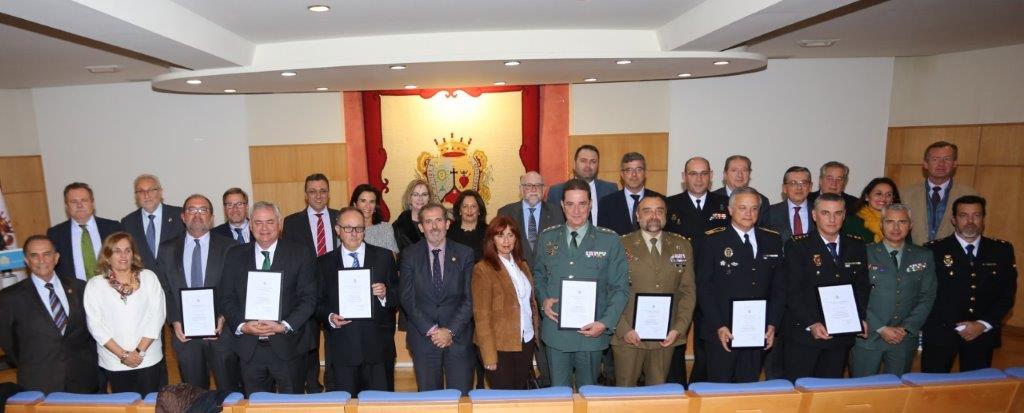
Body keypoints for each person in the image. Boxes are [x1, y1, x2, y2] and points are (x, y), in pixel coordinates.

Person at [533, 178, 629, 388]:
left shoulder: (609, 240)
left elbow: (620, 288)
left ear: (590, 204)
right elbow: (538, 275)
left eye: (582, 204)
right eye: (570, 204)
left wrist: (605, 323)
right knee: (559, 396)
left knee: (588, 394)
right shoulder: (548, 238)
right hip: (556, 332)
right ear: (562, 205)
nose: (576, 211)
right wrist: (543, 300)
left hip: (592, 333)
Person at [219, 201, 317, 395]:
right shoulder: (235, 255)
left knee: (292, 405)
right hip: (249, 348)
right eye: (258, 222)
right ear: (250, 225)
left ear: (280, 224)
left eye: (270, 222)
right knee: (255, 404)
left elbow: (309, 298)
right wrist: (242, 326)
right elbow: (226, 297)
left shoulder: (300, 253)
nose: (264, 228)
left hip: (288, 346)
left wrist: (284, 325)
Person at [697, 187, 784, 383]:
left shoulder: (772, 239)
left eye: (754, 208)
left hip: (757, 330)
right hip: (722, 330)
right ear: (730, 210)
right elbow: (704, 288)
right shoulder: (713, 240)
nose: (748, 213)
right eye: (743, 208)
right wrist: (719, 325)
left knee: (748, 387)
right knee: (719, 389)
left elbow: (779, 288)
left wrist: (772, 324)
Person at [922, 195, 1017, 373]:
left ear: (983, 219)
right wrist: (958, 326)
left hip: (981, 334)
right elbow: (926, 295)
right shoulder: (933, 250)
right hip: (941, 334)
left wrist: (982, 324)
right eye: (963, 215)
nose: (970, 221)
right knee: (933, 386)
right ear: (953, 219)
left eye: (976, 215)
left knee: (975, 386)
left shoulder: (1001, 250)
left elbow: (1006, 296)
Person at [155, 194, 241, 391]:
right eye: (191, 210)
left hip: (221, 333)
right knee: (194, 395)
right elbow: (164, 289)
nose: (197, 214)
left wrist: (223, 316)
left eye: (203, 210)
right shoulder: (167, 249)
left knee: (229, 392)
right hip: (184, 335)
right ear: (183, 216)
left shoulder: (229, 247)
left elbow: (235, 287)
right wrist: (174, 320)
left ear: (211, 217)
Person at [782, 193, 870, 381]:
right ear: (814, 215)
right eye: (825, 213)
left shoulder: (856, 245)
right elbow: (792, 291)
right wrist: (812, 323)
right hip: (805, 336)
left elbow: (862, 287)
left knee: (830, 391)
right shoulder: (797, 246)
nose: (832, 219)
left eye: (837, 213)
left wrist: (859, 316)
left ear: (844, 215)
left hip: (841, 335)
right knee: (800, 389)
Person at [611, 195, 696, 386]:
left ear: (666, 215)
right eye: (647, 211)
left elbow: (688, 292)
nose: (654, 216)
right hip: (629, 335)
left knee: (657, 393)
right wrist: (623, 328)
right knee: (624, 392)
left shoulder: (681, 245)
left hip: (665, 336)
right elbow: (609, 290)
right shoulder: (619, 245)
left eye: (659, 211)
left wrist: (678, 328)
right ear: (637, 216)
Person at [0, 235, 98, 393]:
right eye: (34, 255)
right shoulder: (9, 297)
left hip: (83, 380)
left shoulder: (80, 288)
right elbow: (9, 344)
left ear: (56, 257)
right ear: (26, 260)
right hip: (39, 382)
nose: (41, 260)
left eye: (46, 254)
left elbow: (90, 333)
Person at [317, 207, 398, 394]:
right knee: (345, 404)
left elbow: (398, 294)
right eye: (348, 228)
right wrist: (330, 317)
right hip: (342, 351)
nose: (354, 233)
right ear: (338, 230)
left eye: (359, 228)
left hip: (378, 351)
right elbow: (316, 302)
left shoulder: (384, 257)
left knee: (380, 405)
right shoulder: (324, 263)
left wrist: (385, 294)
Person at [850, 203, 936, 376]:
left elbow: (927, 296)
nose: (896, 228)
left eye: (902, 222)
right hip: (869, 337)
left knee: (897, 388)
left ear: (910, 225)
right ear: (881, 225)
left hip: (903, 339)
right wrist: (880, 327)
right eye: (890, 222)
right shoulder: (863, 253)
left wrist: (907, 327)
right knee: (862, 388)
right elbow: (854, 295)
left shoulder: (923, 255)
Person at [399, 202, 476, 394]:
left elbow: (470, 298)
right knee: (430, 400)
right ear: (421, 227)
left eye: (439, 220)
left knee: (460, 398)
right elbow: (407, 298)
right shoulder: (409, 255)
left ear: (447, 224)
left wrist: (450, 331)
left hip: (458, 338)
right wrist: (432, 330)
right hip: (424, 339)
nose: (434, 226)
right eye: (428, 222)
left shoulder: (465, 253)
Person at [494, 171, 563, 387]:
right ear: (520, 189)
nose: (533, 189)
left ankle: (549, 384)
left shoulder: (558, 213)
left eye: (537, 185)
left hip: (549, 287)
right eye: (528, 185)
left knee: (546, 341)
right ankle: (523, 385)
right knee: (521, 342)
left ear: (544, 189)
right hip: (515, 288)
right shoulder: (505, 212)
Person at [664, 156, 729, 384]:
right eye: (693, 173)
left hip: (712, 284)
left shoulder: (725, 204)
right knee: (676, 337)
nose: (699, 179)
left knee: (707, 339)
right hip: (679, 283)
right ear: (684, 177)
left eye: (703, 173)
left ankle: (702, 386)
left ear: (711, 176)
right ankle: (677, 387)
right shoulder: (669, 204)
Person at [83, 232, 167, 394]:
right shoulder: (95, 285)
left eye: (128, 250)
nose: (123, 255)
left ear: (133, 254)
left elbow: (157, 316)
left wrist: (139, 351)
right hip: (114, 361)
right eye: (117, 251)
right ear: (107, 256)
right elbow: (95, 325)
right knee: (123, 404)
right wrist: (123, 355)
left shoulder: (149, 277)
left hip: (148, 357)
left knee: (151, 404)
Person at [281, 172, 339, 393]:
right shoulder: (292, 222)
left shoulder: (339, 217)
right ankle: (312, 383)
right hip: (305, 291)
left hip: (335, 289)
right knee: (309, 340)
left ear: (328, 193)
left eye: (323, 191)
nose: (318, 195)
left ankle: (334, 383)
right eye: (313, 191)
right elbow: (288, 258)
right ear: (306, 195)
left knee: (336, 337)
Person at [471, 215, 540, 389]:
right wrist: (489, 356)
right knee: (504, 397)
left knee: (519, 395)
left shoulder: (522, 265)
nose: (506, 241)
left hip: (526, 341)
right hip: (499, 346)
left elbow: (529, 303)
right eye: (500, 235)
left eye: (510, 235)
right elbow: (482, 317)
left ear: (516, 238)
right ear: (492, 239)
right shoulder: (483, 269)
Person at [901, 141, 979, 244]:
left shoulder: (970, 195)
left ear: (954, 163)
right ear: (925, 164)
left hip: (953, 252)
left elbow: (976, 232)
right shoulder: (906, 194)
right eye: (935, 159)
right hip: (915, 253)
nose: (941, 164)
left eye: (947, 159)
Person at [47, 182, 123, 280]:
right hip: (73, 289)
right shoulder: (55, 234)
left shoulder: (113, 228)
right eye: (74, 202)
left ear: (92, 203)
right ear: (66, 206)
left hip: (111, 285)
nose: (79, 205)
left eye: (84, 200)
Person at [121, 174, 185, 270]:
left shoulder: (179, 216)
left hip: (174, 277)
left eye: (151, 190)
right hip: (143, 277)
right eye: (141, 191)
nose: (146, 195)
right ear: (136, 196)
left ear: (160, 192)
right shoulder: (128, 223)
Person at [598, 152, 664, 235]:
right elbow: (603, 236)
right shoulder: (607, 203)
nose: (634, 174)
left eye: (639, 169)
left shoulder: (660, 200)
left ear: (644, 173)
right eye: (629, 170)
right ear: (622, 174)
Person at [547, 145, 617, 223]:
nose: (588, 165)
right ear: (574, 164)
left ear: (598, 165)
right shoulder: (556, 192)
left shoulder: (610, 190)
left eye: (593, 161)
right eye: (583, 161)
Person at [711, 155, 770, 226]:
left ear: (749, 174)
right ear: (725, 174)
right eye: (734, 170)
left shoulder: (762, 200)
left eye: (744, 170)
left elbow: (762, 230)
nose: (740, 175)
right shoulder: (711, 199)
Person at [843, 178, 901, 243]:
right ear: (867, 197)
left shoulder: (900, 223)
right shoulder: (851, 222)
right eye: (878, 193)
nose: (883, 198)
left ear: (892, 199)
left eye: (888, 195)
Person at [767, 166, 815, 240]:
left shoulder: (820, 211)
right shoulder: (770, 213)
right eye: (793, 183)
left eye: (804, 183)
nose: (799, 188)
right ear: (784, 188)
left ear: (810, 187)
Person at [350, 184, 399, 254]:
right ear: (355, 204)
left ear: (375, 206)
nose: (368, 206)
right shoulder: (346, 229)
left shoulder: (386, 228)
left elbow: (392, 257)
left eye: (371, 202)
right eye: (363, 201)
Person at [392, 179, 434, 251]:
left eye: (424, 194)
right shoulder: (398, 227)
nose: (420, 198)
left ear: (429, 198)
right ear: (409, 198)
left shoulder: (438, 222)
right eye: (415, 194)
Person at [447, 190, 488, 262]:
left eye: (473, 206)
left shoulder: (489, 233)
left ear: (479, 210)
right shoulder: (448, 233)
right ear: (460, 210)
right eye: (465, 206)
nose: (469, 210)